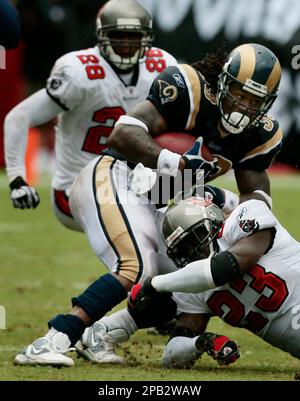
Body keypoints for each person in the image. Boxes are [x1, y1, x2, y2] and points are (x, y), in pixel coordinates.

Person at [70, 43, 285, 364]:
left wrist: (241, 220)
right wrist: (175, 162)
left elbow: (256, 200)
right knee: (137, 267)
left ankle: (104, 333)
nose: (244, 106)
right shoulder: (190, 90)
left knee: (197, 275)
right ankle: (59, 334)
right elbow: (123, 133)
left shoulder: (260, 135)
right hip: (116, 181)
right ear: (223, 83)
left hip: (158, 200)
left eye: (255, 101)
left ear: (268, 104)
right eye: (240, 94)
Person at [4, 0, 177, 231]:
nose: (126, 44)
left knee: (189, 218)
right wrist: (17, 179)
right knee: (140, 241)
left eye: (133, 36)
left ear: (146, 37)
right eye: (118, 35)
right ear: (102, 36)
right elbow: (19, 116)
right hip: (78, 188)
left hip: (136, 184)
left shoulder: (161, 66)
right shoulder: (79, 72)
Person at [84, 194, 300, 368]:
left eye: (194, 238)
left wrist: (153, 284)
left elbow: (224, 268)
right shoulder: (191, 285)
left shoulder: (247, 214)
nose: (193, 250)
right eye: (183, 249)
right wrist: (201, 342)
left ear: (212, 220)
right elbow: (171, 355)